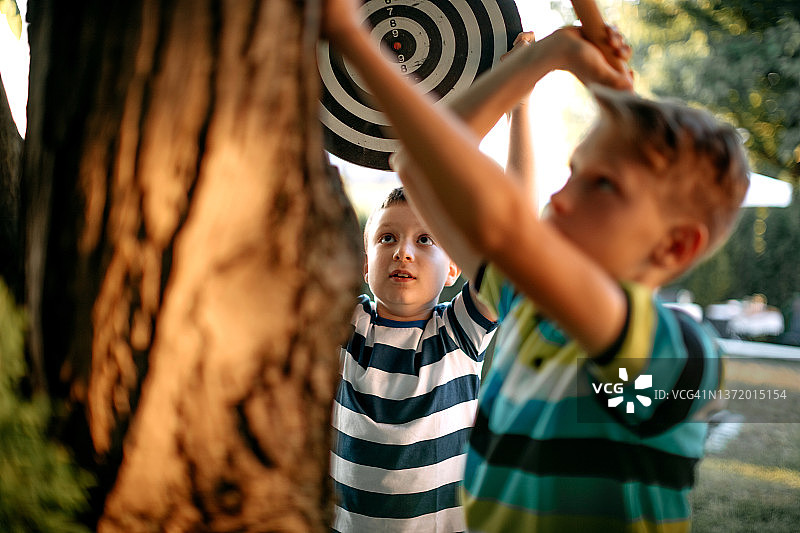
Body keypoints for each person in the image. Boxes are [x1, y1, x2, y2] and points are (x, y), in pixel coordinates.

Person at [322, 1, 750, 531]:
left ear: (674, 247)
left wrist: (349, 33)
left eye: (604, 185)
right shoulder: (523, 304)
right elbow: (416, 170)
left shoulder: (669, 352)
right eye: (573, 172)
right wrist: (546, 57)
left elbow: (505, 223)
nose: (561, 197)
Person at [330, 185, 497, 532]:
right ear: (365, 264)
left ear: (453, 267)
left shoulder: (458, 332)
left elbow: (511, 240)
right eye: (387, 238)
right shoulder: (345, 324)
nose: (403, 252)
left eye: (425, 240)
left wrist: (517, 126)